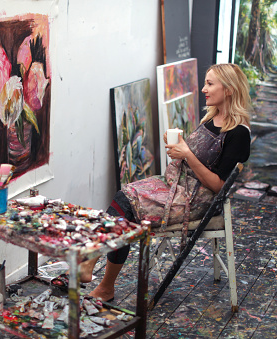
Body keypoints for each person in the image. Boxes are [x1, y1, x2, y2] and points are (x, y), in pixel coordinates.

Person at [81, 63, 252, 302]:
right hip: (178, 185)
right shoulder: (212, 118)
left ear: (230, 89)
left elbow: (218, 186)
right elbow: (198, 156)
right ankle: (97, 270)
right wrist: (179, 145)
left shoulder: (239, 133)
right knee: (124, 197)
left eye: (210, 84)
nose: (203, 88)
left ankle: (100, 273)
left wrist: (187, 155)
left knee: (126, 206)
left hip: (197, 199)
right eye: (205, 82)